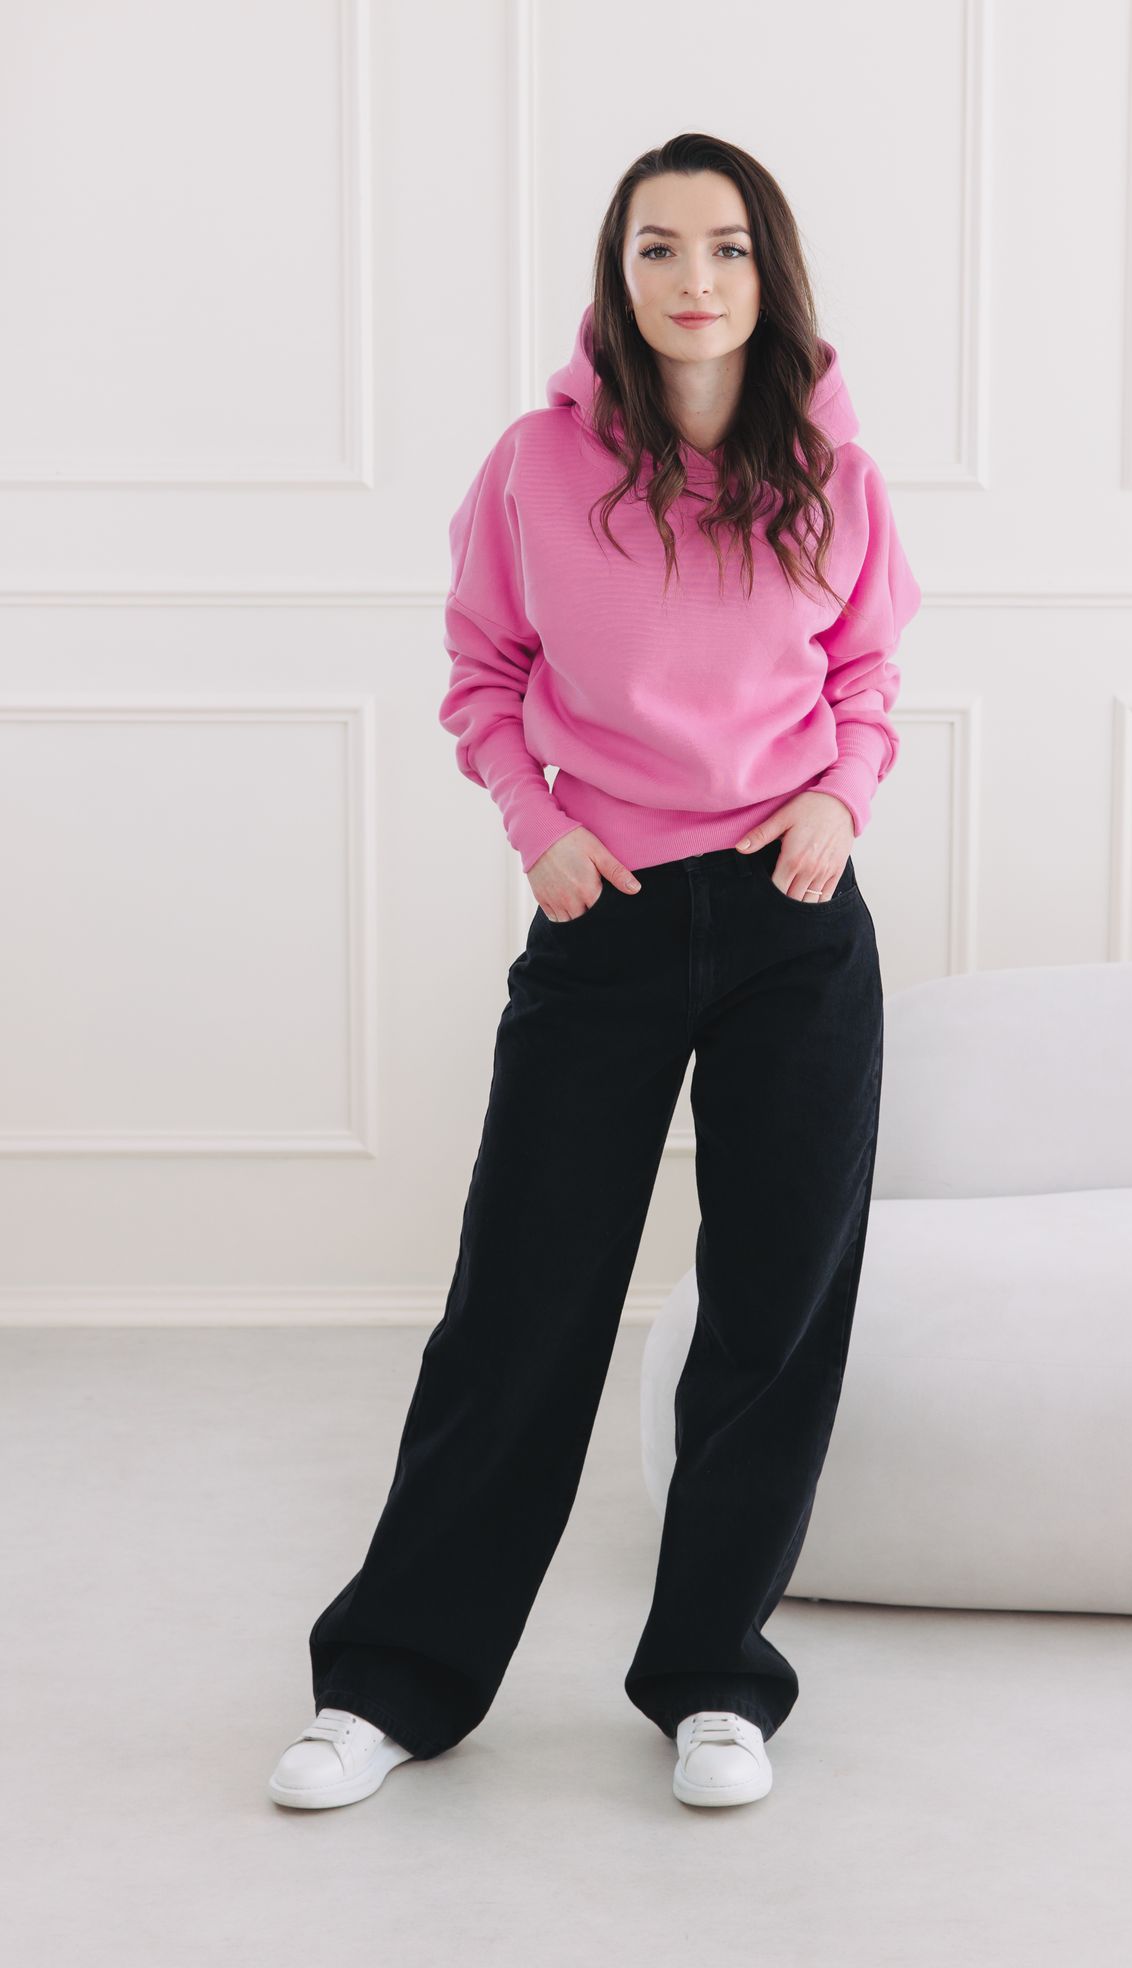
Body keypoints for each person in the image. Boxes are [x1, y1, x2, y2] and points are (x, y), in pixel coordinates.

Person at [269, 132, 921, 1814]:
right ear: (616, 276)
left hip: (792, 919)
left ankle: (715, 1680)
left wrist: (842, 799)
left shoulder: (836, 476)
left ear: (770, 274)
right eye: (657, 248)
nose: (694, 279)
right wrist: (534, 826)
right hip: (603, 913)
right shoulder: (535, 467)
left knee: (772, 1311)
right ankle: (392, 1684)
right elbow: (481, 670)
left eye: (727, 248)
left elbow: (868, 678)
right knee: (520, 1304)